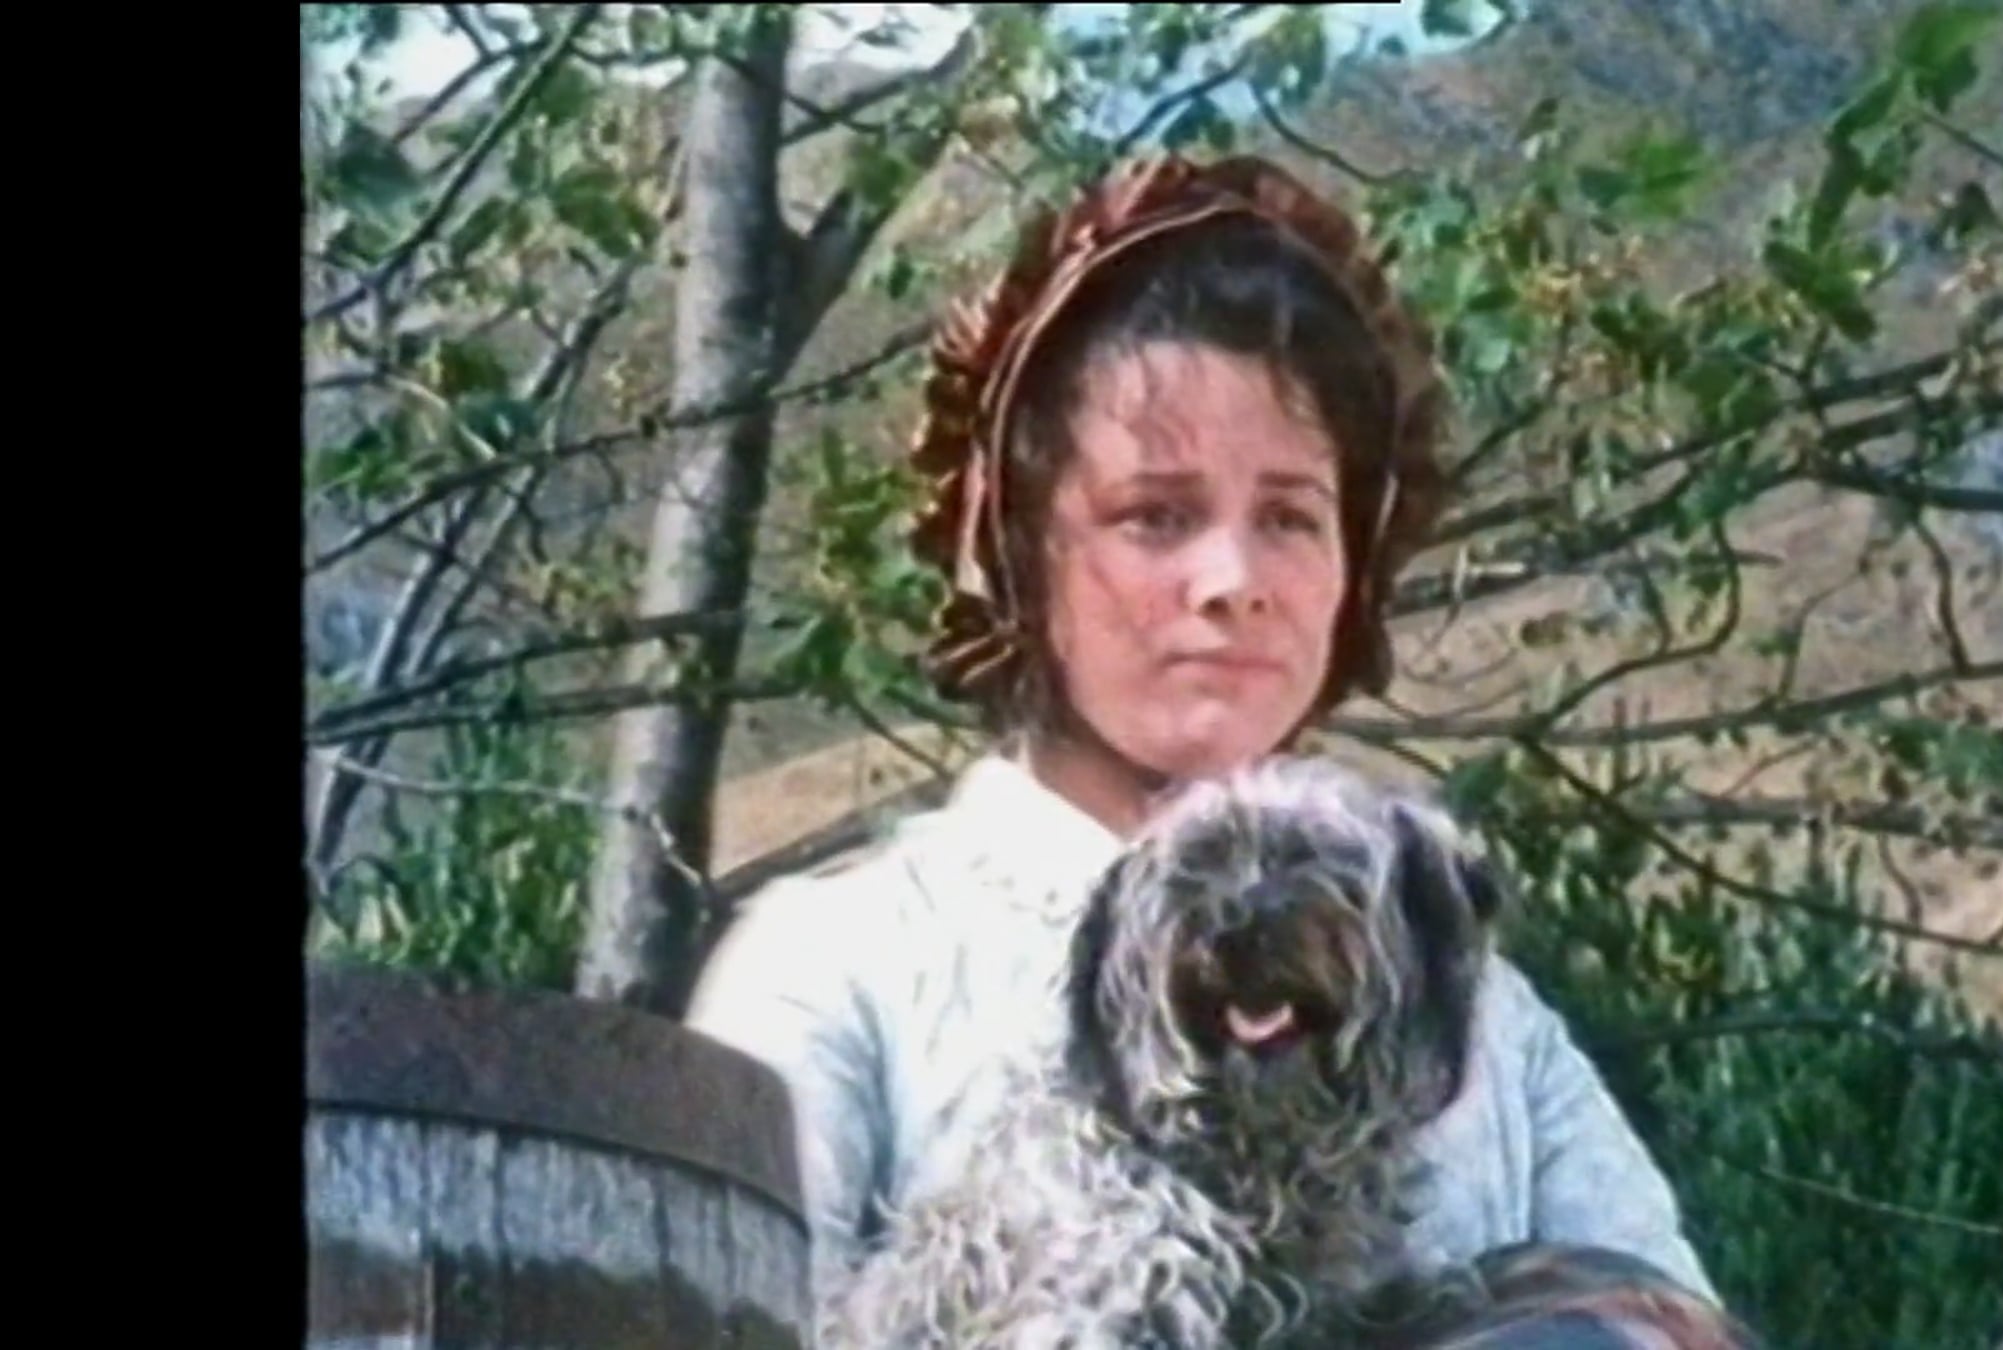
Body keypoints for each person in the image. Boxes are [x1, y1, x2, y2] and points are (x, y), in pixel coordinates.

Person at [685, 153, 1723, 1335]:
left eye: (1290, 517)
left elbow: (1672, 1330)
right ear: (1019, 553)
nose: (1231, 580)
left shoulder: (1481, 1009)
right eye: (1155, 516)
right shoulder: (837, 966)